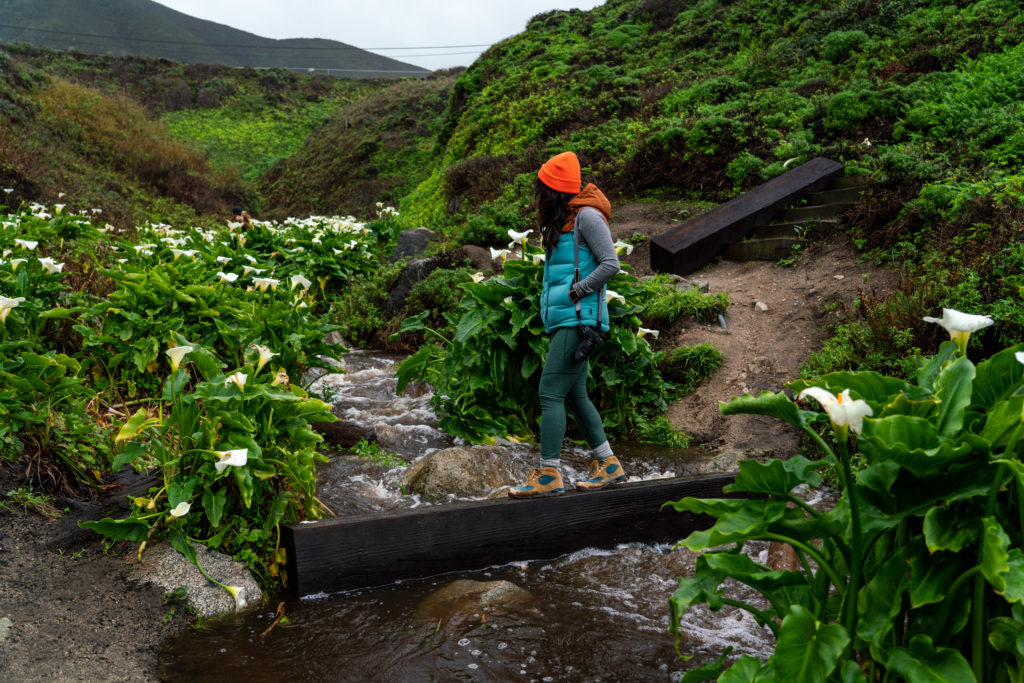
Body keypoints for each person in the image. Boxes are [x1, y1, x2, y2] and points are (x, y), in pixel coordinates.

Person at [509, 151, 625, 498]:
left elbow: (611, 264)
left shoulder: (588, 216)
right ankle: (609, 465)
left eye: (543, 188)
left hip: (578, 320)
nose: (538, 195)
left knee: (549, 393)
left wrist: (579, 290)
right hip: (566, 319)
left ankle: (548, 474)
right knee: (575, 395)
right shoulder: (565, 220)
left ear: (554, 190)